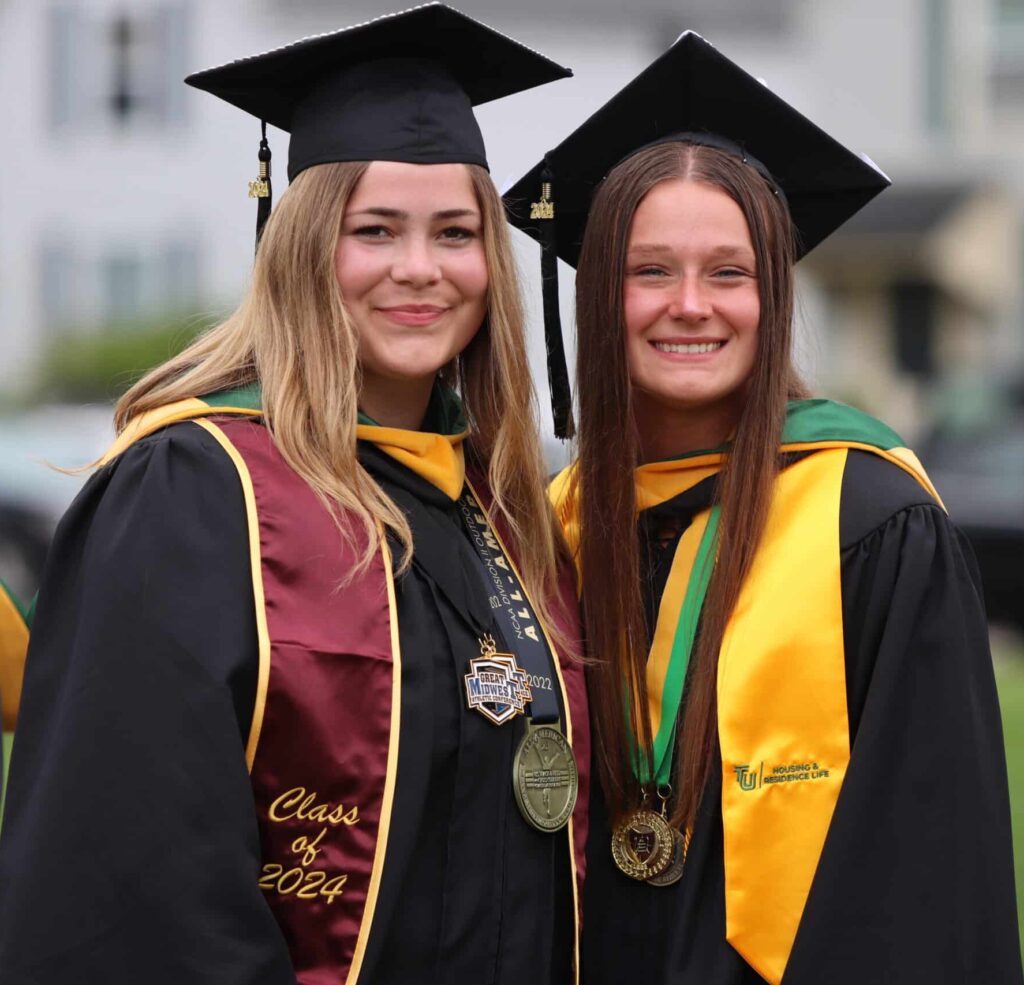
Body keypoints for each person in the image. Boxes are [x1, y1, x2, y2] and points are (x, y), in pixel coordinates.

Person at [0, 6, 589, 984]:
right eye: (375, 230)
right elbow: (138, 869)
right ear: (306, 246)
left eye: (454, 232)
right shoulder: (196, 490)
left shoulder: (506, 513)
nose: (420, 269)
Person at [505, 31, 1022, 985]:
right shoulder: (552, 528)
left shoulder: (868, 519)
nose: (690, 305)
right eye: (649, 270)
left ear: (773, 295)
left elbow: (927, 871)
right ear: (597, 292)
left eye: (729, 272)